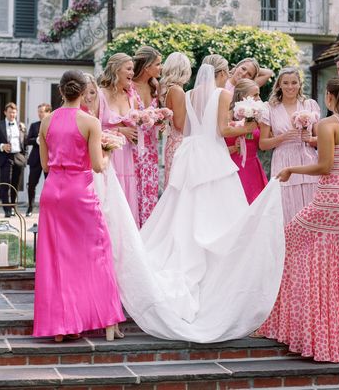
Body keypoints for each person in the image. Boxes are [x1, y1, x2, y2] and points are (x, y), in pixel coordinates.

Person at [96, 60, 285, 343]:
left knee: (183, 213)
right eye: (225, 75)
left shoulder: (191, 92)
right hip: (212, 156)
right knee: (220, 217)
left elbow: (183, 128)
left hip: (191, 154)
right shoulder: (222, 94)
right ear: (221, 73)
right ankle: (220, 279)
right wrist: (247, 126)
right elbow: (221, 130)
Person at [257, 77, 339, 363]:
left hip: (331, 201)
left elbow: (324, 166)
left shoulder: (327, 125)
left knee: (290, 242)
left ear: (331, 98)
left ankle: (296, 326)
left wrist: (291, 169)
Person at [33, 70, 125, 342]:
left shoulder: (46, 122)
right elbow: (98, 166)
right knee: (97, 251)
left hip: (53, 193)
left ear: (61, 91)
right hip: (79, 192)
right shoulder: (90, 122)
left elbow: (45, 165)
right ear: (84, 92)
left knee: (55, 259)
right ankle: (107, 322)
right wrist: (107, 154)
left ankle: (60, 328)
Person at [259, 67, 320, 224]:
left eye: (294, 82)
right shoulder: (269, 108)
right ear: (279, 85)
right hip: (283, 160)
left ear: (300, 84)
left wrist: (311, 139)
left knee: (310, 208)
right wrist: (282, 137)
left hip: (308, 160)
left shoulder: (310, 105)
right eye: (285, 83)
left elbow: (320, 139)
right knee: (286, 207)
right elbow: (263, 144)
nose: (290, 87)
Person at [95, 57, 139, 227]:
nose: (132, 73)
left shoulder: (131, 97)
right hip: (108, 156)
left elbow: (135, 127)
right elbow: (94, 129)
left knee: (126, 203)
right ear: (116, 70)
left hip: (127, 157)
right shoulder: (100, 95)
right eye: (128, 69)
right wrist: (120, 130)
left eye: (133, 69)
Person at [132, 46, 162, 226]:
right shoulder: (129, 86)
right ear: (147, 66)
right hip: (134, 145)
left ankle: (148, 232)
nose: (161, 68)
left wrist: (160, 118)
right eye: (158, 64)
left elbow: (157, 112)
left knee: (149, 187)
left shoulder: (155, 85)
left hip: (151, 146)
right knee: (134, 187)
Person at [225, 78, 268, 204]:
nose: (259, 98)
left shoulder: (258, 116)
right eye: (255, 95)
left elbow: (263, 143)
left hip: (253, 167)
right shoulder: (226, 115)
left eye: (259, 94)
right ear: (243, 96)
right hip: (233, 166)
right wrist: (234, 147)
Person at [159, 52, 192, 189]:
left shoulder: (165, 88)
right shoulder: (177, 91)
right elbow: (180, 124)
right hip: (179, 142)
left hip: (172, 141)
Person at [0, 102, 27, 217]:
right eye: (10, 112)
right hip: (5, 157)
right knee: (5, 184)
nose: (12, 115)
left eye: (14, 113)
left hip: (18, 157)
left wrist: (25, 157)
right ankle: (6, 210)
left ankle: (12, 207)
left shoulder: (21, 126)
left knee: (15, 185)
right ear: (5, 112)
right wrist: (2, 146)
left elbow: (25, 142)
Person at [25, 103, 52, 217]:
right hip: (36, 159)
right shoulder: (34, 125)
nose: (40, 114)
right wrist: (37, 139)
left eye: (42, 111)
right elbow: (27, 140)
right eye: (39, 111)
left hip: (49, 159)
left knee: (50, 185)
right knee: (31, 184)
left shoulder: (53, 124)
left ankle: (49, 209)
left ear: (48, 112)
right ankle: (30, 207)